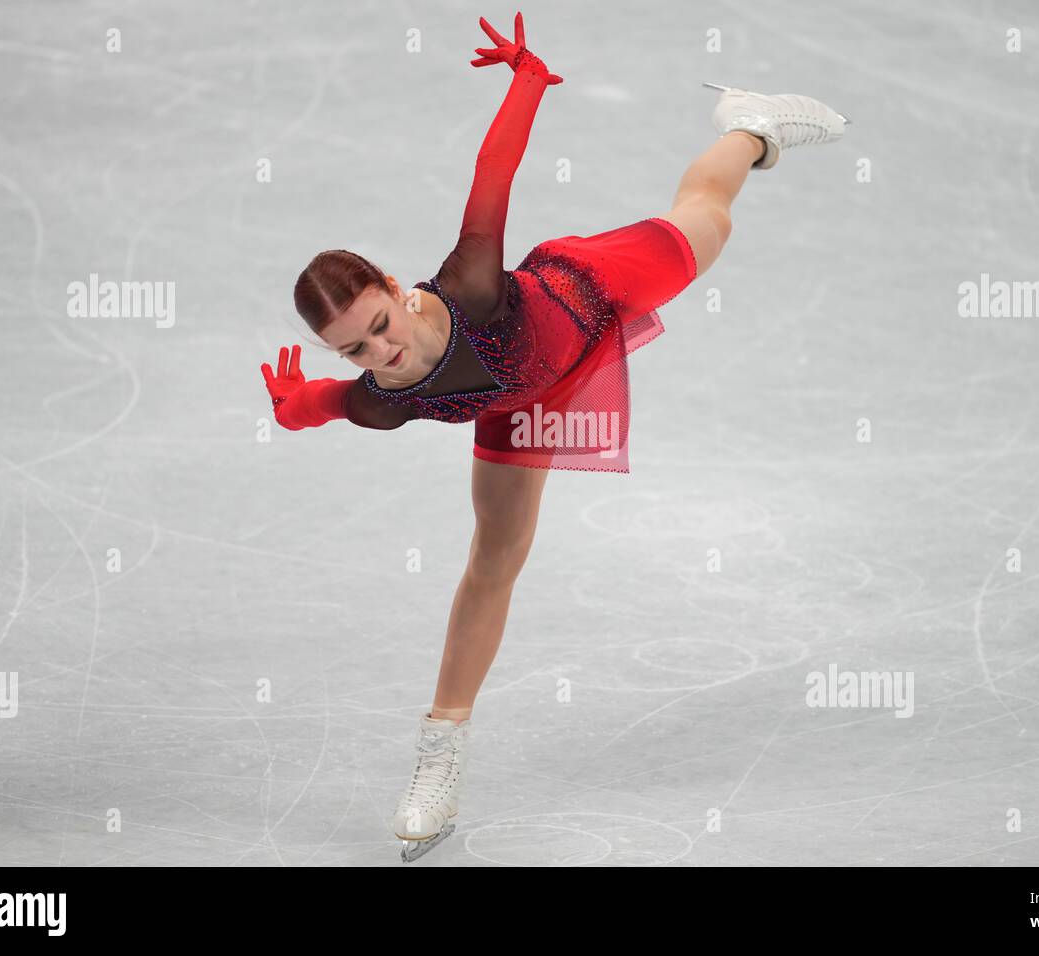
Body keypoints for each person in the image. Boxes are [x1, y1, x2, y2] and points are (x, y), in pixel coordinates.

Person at [258, 12, 847, 860]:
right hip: (518, 403)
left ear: (394, 284)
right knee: (492, 563)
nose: (380, 351)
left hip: (587, 291)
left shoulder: (470, 283)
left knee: (708, 213)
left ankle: (750, 126)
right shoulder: (382, 398)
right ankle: (440, 755)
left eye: (381, 323)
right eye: (355, 348)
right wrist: (289, 408)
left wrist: (528, 78)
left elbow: (491, 171)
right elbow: (323, 405)